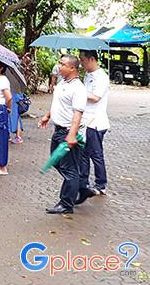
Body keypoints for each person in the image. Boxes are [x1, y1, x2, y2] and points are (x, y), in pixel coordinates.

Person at [38, 54, 86, 214]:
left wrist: (71, 135)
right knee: (57, 162)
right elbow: (57, 104)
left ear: (72, 68)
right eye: (59, 63)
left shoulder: (78, 88)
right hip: (58, 131)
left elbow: (77, 114)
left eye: (63, 64)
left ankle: (66, 204)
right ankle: (79, 186)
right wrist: (47, 115)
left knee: (69, 169)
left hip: (68, 133)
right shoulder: (62, 82)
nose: (59, 66)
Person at [78, 50, 109, 199]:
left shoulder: (101, 77)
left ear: (91, 59)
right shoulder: (87, 75)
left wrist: (78, 93)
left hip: (96, 121)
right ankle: (83, 183)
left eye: (82, 60)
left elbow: (96, 97)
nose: (81, 63)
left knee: (96, 154)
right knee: (83, 153)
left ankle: (101, 184)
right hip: (85, 121)